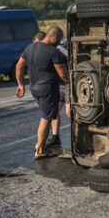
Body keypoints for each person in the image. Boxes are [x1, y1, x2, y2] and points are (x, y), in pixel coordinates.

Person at [15, 26, 69, 159]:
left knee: (47, 116)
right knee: (46, 119)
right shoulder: (53, 51)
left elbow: (19, 66)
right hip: (47, 89)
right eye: (60, 39)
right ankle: (40, 150)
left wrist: (21, 84)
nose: (59, 42)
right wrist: (72, 83)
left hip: (34, 88)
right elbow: (62, 74)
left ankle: (41, 146)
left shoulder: (30, 48)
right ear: (55, 37)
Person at [46, 41, 70, 149]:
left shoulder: (59, 50)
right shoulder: (47, 51)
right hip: (58, 84)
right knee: (55, 111)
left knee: (69, 112)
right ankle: (55, 137)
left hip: (69, 82)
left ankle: (80, 135)